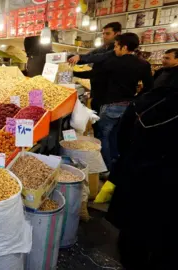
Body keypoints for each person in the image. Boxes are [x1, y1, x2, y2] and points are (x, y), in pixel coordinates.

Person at [106, 84, 178, 269]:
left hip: (140, 177)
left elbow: (122, 137)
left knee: (134, 240)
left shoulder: (152, 100)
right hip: (160, 185)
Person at [85, 33, 153, 171]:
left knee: (103, 135)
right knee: (116, 135)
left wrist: (73, 72)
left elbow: (94, 75)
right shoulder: (143, 64)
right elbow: (149, 87)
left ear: (124, 47)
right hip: (129, 106)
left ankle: (106, 169)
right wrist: (136, 98)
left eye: (116, 46)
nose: (114, 49)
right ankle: (116, 161)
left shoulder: (113, 62)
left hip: (111, 105)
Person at [69, 22, 122, 113]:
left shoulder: (117, 51)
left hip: (110, 95)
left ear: (117, 34)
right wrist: (69, 57)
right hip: (96, 92)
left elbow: (99, 60)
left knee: (104, 124)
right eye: (103, 34)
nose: (104, 36)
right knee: (96, 120)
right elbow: (88, 57)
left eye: (108, 34)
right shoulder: (101, 48)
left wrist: (74, 72)